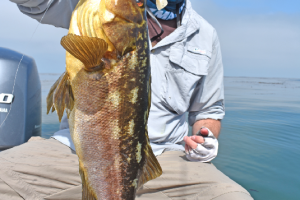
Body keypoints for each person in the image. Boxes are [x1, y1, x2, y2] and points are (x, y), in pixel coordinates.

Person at [0, 0, 253, 199]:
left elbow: (208, 109)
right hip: (75, 147)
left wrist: (205, 137)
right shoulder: (95, 6)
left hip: (167, 158)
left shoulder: (205, 34)